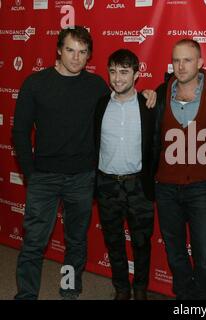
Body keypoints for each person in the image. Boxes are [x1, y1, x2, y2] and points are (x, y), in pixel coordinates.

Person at [12, 26, 110, 300]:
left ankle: (69, 291)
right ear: (58, 49)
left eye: (82, 52)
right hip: (44, 177)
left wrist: (148, 96)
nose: (76, 57)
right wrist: (32, 173)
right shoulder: (36, 83)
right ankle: (26, 295)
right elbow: (20, 131)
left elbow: (120, 111)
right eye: (70, 50)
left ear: (89, 55)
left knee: (76, 242)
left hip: (82, 178)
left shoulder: (97, 86)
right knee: (33, 243)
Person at [153, 39, 206, 300]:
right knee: (176, 253)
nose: (181, 66)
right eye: (176, 60)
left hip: (201, 188)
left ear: (200, 63)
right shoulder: (160, 93)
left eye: (187, 60)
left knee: (204, 256)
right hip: (166, 188)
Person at [94, 49, 155, 300]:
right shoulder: (100, 104)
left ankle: (140, 288)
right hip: (107, 184)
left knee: (142, 242)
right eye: (113, 71)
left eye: (124, 72)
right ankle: (121, 288)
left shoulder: (149, 105)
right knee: (113, 241)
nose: (117, 78)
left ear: (136, 74)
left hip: (138, 185)